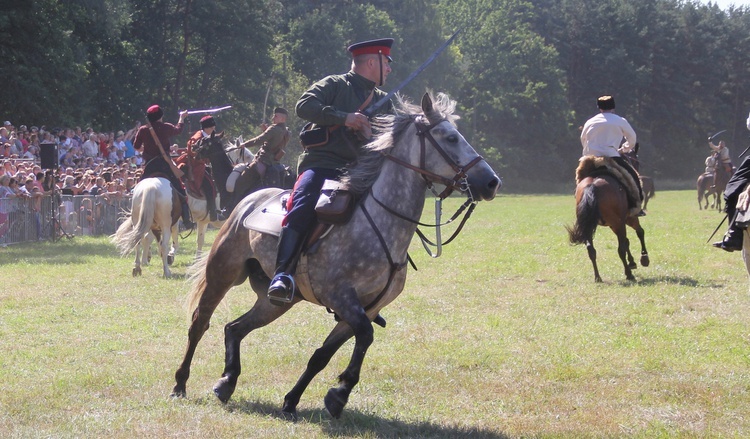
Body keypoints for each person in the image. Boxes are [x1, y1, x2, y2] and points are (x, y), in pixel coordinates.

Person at [266, 37, 396, 305]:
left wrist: (372, 134)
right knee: (303, 203)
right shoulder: (335, 84)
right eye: (387, 63)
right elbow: (304, 106)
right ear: (373, 62)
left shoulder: (385, 101)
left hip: (360, 170)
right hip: (322, 164)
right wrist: (344, 117)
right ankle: (282, 276)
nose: (391, 69)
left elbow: (393, 137)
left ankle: (366, 286)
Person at [580, 95, 645, 217]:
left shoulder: (590, 121)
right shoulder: (620, 120)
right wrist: (623, 149)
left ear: (599, 108)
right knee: (633, 177)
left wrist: (589, 151)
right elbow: (632, 139)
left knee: (581, 178)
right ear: (613, 107)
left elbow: (583, 139)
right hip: (611, 156)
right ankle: (637, 207)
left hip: (590, 158)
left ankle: (579, 201)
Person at [132, 104, 194, 229]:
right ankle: (187, 219)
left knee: (137, 190)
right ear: (160, 116)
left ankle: (133, 215)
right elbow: (178, 129)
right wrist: (181, 118)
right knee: (180, 190)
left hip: (150, 165)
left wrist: (145, 149)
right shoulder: (166, 127)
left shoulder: (143, 130)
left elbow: (136, 146)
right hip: (165, 165)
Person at [712, 112, 750, 251]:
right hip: (722, 163)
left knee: (732, 189)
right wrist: (711, 142)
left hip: (726, 163)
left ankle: (735, 235)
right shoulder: (719, 149)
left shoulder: (726, 150)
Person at [181, 115, 224, 221]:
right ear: (207, 128)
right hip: (197, 166)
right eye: (212, 127)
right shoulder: (197, 137)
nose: (214, 129)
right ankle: (213, 213)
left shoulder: (208, 136)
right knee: (210, 186)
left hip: (204, 164)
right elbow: (193, 152)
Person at [240, 107, 291, 182]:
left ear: (283, 119)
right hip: (276, 162)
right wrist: (266, 130)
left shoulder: (273, 129)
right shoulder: (287, 132)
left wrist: (245, 144)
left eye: (276, 116)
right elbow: (275, 139)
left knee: (243, 178)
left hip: (264, 160)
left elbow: (259, 140)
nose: (273, 118)